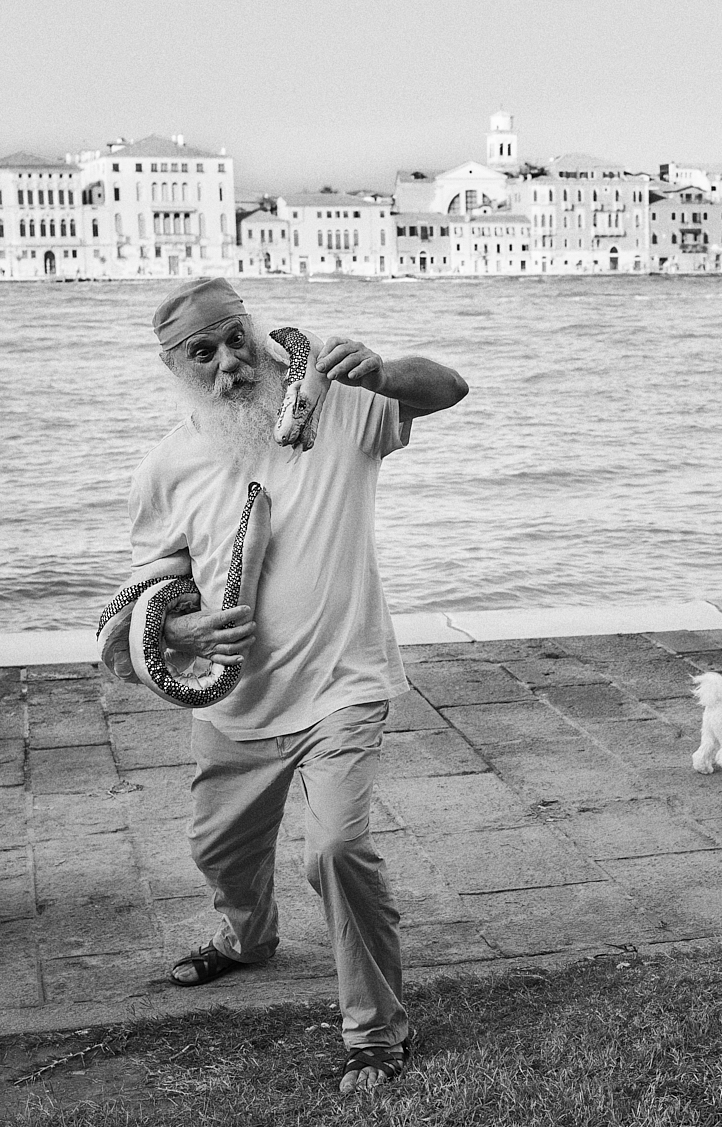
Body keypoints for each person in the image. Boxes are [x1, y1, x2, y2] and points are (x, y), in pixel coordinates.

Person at [127, 277, 467, 1092]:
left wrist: (384, 372)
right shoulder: (168, 465)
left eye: (234, 337)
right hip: (237, 701)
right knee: (218, 849)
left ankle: (377, 1034)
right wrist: (177, 628)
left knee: (338, 850)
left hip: (343, 686)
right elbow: (154, 581)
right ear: (176, 367)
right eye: (201, 353)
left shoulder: (340, 402)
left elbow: (449, 387)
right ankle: (247, 937)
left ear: (254, 329)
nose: (227, 362)